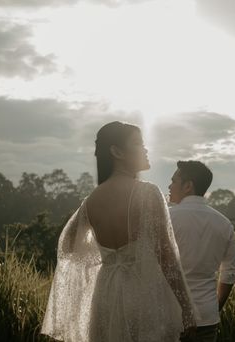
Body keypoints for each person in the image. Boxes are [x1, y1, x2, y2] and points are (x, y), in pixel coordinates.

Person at [41, 121, 198, 342]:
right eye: (137, 143)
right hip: (142, 296)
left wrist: (106, 259)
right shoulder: (148, 193)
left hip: (104, 296)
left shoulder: (91, 201)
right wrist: (187, 309)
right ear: (116, 151)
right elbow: (166, 254)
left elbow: (66, 245)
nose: (145, 149)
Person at [167, 161, 235, 342]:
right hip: (207, 316)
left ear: (188, 186)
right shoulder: (224, 223)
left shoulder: (167, 218)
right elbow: (230, 272)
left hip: (169, 314)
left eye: (174, 181)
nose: (169, 186)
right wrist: (215, 306)